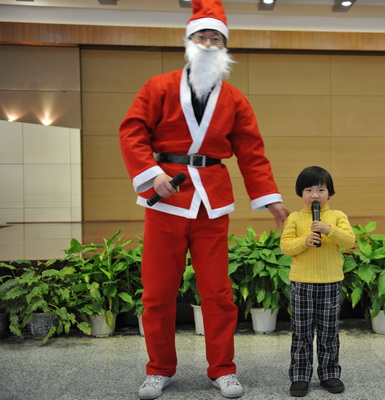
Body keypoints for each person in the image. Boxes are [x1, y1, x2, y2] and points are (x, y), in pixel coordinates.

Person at [119, 0, 289, 398]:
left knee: (218, 293)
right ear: (189, 42)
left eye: (216, 38)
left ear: (225, 46)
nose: (209, 44)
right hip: (166, 198)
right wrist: (152, 174)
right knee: (157, 293)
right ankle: (159, 368)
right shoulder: (158, 87)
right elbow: (132, 132)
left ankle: (223, 369)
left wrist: (271, 200)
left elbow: (251, 153)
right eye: (202, 37)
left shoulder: (235, 99)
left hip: (212, 203)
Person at [280, 166, 356, 397]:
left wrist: (328, 230)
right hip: (302, 284)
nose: (315, 195)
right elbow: (286, 246)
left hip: (330, 283)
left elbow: (349, 241)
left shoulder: (337, 216)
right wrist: (304, 241)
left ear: (329, 193)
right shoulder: (294, 218)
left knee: (328, 332)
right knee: (301, 333)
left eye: (321, 190)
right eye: (309, 190)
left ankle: (329, 374)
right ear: (300, 194)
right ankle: (300, 376)